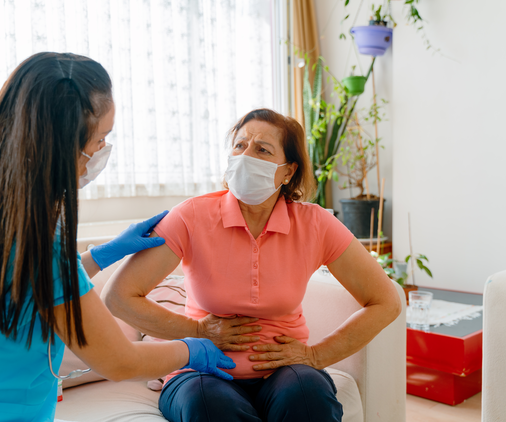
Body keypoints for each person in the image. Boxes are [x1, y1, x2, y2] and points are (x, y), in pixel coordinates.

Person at [0, 52, 234, 422]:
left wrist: (103, 255)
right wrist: (193, 349)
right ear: (60, 148)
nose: (102, 151)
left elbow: (28, 289)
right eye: (100, 138)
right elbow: (120, 361)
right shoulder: (41, 250)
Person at [102, 108, 404, 422]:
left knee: (308, 396)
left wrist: (316, 355)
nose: (246, 155)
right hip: (201, 371)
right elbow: (119, 297)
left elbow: (386, 301)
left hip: (284, 371)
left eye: (262, 149)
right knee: (210, 405)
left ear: (288, 171)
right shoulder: (191, 216)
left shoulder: (315, 224)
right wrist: (198, 330)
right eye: (239, 145)